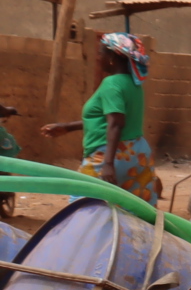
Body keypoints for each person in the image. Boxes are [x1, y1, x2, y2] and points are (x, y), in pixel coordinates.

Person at [40, 32, 157, 204]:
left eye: (100, 53)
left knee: (80, 209)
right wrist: (68, 127)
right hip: (138, 154)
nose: (97, 58)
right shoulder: (134, 84)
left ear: (112, 56)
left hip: (110, 156)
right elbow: (108, 119)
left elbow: (116, 123)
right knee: (136, 213)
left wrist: (108, 164)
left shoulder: (112, 84)